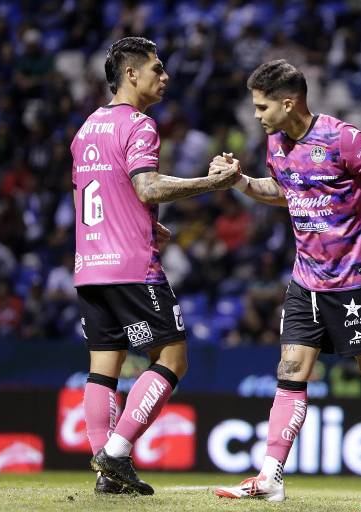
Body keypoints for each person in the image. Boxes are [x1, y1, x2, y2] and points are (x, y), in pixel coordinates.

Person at [210, 59, 361, 505]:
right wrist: (241, 181)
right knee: (290, 373)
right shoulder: (275, 142)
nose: (256, 115)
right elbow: (283, 190)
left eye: (262, 106)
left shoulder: (343, 138)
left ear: (289, 103)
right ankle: (270, 477)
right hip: (306, 281)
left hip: (354, 283)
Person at [72, 36, 239, 495]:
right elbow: (146, 188)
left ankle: (109, 478)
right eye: (157, 69)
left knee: (103, 366)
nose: (164, 78)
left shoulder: (86, 127)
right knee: (172, 357)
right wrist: (212, 182)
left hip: (90, 263)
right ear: (131, 74)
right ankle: (118, 452)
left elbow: (93, 196)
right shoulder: (139, 124)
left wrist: (145, 222)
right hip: (131, 266)